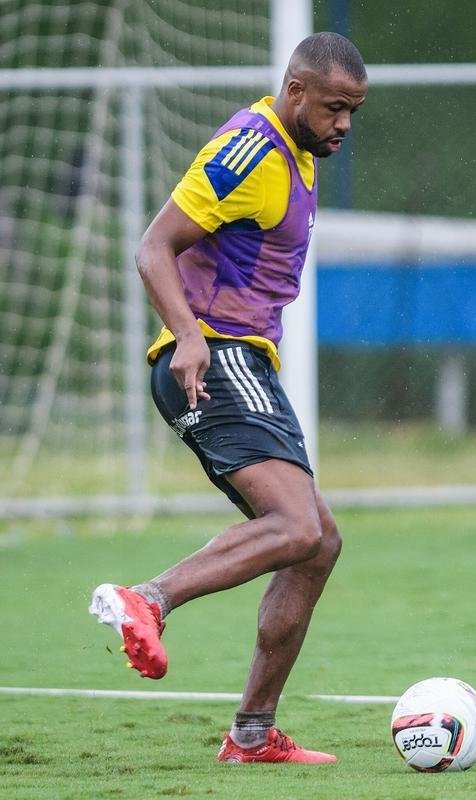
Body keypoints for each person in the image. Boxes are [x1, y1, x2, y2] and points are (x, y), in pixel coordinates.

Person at [89, 31, 367, 765]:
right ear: (296, 91)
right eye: (334, 107)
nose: (344, 123)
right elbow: (153, 246)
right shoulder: (249, 150)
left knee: (317, 541)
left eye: (354, 111)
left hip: (245, 362)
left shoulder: (299, 153)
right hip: (214, 357)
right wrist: (188, 337)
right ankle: (150, 598)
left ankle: (251, 734)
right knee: (297, 525)